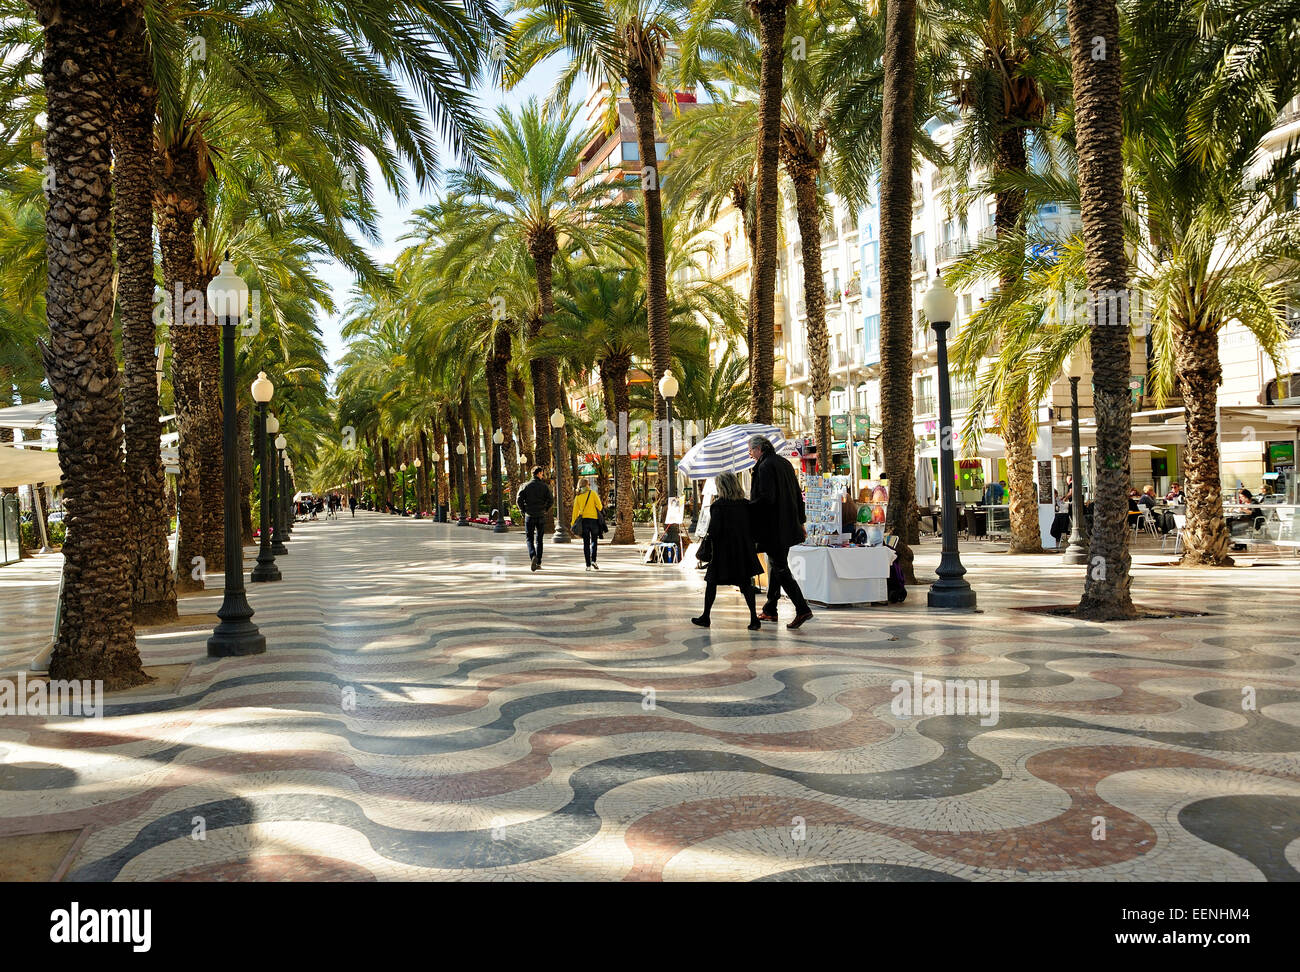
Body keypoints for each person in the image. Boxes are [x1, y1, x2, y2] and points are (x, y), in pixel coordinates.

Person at [747, 435, 813, 629]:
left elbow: (767, 498)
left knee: (780, 568)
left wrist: (748, 507)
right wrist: (800, 521)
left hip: (773, 527)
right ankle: (770, 608)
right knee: (777, 565)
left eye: (750, 450)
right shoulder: (784, 463)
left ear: (759, 449)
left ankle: (802, 609)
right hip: (787, 524)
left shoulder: (765, 466)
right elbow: (797, 494)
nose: (749, 454)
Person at [692, 472, 763, 630]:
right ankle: (753, 618)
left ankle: (706, 616)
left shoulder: (718, 506)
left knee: (711, 582)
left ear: (722, 487)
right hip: (742, 550)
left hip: (722, 552)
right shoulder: (746, 504)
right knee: (746, 584)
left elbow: (715, 530)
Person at [516, 466, 554, 571]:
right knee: (539, 539)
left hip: (529, 515)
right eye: (542, 474)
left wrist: (523, 510)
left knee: (529, 538)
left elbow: (518, 500)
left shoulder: (524, 486)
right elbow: (551, 500)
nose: (542, 475)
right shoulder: (545, 487)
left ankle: (533, 556)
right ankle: (539, 562)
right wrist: (545, 509)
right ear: (539, 473)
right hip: (541, 515)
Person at [571, 477, 604, 570]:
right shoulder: (592, 493)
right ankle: (593, 560)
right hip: (594, 520)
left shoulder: (578, 496)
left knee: (586, 543)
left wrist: (573, 523)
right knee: (594, 541)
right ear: (586, 485)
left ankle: (588, 565)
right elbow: (600, 506)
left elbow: (575, 511)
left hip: (584, 521)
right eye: (588, 484)